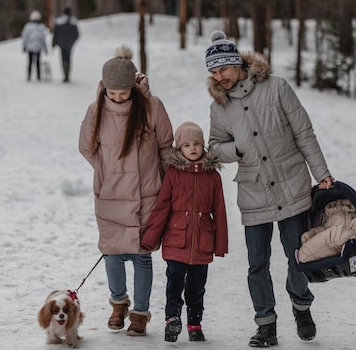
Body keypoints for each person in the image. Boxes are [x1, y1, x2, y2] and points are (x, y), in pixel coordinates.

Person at [204, 31, 335, 347]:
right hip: (253, 191)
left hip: (292, 184)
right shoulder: (219, 107)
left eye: (223, 69)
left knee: (299, 256)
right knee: (257, 264)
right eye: (213, 72)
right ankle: (266, 325)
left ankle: (301, 304)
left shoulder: (277, 87)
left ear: (237, 63)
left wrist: (323, 174)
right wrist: (234, 151)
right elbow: (214, 147)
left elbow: (304, 133)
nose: (219, 76)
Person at [78, 45, 174, 337]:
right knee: (112, 254)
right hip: (110, 194)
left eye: (123, 92)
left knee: (143, 255)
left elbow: (166, 146)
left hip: (146, 194)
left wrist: (162, 179)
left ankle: (140, 313)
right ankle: (118, 303)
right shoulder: (96, 110)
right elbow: (86, 147)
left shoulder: (151, 106)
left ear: (133, 85)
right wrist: (107, 171)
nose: (118, 97)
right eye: (113, 93)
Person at [141, 121, 228, 343]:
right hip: (176, 241)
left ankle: (195, 323)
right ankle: (172, 320)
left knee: (197, 288)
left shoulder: (213, 176)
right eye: (187, 144)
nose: (192, 148)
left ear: (203, 147)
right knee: (174, 283)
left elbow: (219, 211)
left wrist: (220, 244)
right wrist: (151, 237)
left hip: (202, 242)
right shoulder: (173, 174)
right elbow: (162, 207)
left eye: (197, 144)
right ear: (179, 149)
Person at [298, 198, 356, 263]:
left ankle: (304, 254)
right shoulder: (328, 218)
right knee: (309, 238)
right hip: (333, 236)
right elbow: (324, 229)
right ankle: (305, 252)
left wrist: (351, 235)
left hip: (342, 238)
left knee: (304, 254)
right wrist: (314, 232)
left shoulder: (352, 218)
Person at [52, 6, 79, 83]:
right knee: (69, 58)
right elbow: (77, 34)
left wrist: (54, 42)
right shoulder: (73, 21)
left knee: (63, 58)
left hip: (61, 43)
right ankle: (68, 75)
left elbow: (55, 34)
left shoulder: (59, 20)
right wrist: (72, 41)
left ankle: (65, 75)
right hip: (70, 43)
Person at [21, 10, 48, 81]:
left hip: (30, 47)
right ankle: (38, 76)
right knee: (38, 62)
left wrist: (24, 46)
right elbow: (43, 39)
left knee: (30, 62)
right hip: (38, 47)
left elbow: (25, 37)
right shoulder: (41, 27)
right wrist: (45, 48)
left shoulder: (28, 26)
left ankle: (29, 76)